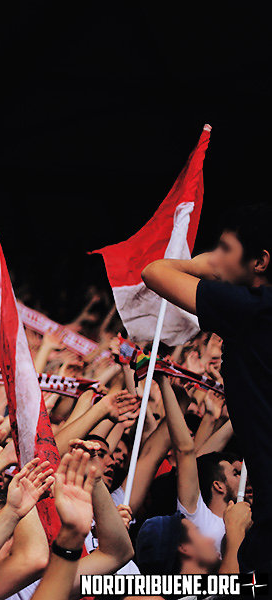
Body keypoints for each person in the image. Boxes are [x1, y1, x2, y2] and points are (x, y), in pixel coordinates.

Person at [142, 203, 272, 571]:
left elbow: (154, 272)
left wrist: (202, 266)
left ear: (259, 262)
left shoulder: (253, 308)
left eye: (225, 250)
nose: (217, 258)